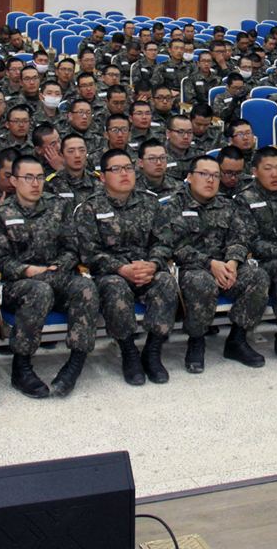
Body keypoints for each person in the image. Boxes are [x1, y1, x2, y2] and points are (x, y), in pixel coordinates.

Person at [0, 155, 100, 398]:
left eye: (39, 177)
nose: (35, 183)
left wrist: (58, 267)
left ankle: (75, 364)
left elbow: (72, 248)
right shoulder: (0, 214)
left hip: (55, 275)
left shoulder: (59, 206)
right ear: (14, 181)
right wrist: (27, 271)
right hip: (18, 284)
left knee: (86, 288)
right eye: (28, 178)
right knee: (39, 290)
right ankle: (21, 367)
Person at [75, 149, 178, 386]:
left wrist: (152, 264)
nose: (124, 173)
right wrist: (120, 268)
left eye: (128, 168)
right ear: (102, 177)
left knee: (165, 282)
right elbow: (88, 252)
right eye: (116, 169)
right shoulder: (89, 208)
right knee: (115, 287)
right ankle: (129, 353)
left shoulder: (150, 203)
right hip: (111, 274)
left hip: (145, 270)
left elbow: (164, 242)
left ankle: (153, 352)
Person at [164, 155, 270, 372]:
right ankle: (196, 341)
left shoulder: (228, 205)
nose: (210, 180)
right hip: (193, 268)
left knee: (258, 277)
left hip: (226, 267)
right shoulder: (174, 206)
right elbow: (175, 247)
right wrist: (210, 263)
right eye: (204, 174)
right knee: (200, 282)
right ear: (189, 177)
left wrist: (232, 262)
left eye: (215, 176)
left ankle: (237, 339)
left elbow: (240, 237)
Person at [236, 147, 277, 364]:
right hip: (258, 262)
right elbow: (248, 241)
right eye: (268, 169)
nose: (275, 174)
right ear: (255, 171)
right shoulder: (245, 198)